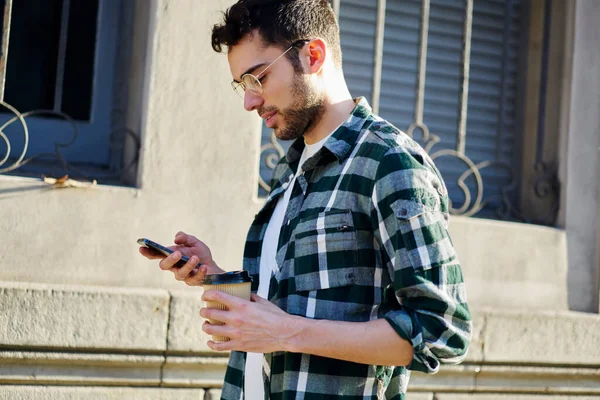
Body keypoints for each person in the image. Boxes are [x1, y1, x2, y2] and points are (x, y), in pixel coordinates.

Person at [140, 0, 471, 398]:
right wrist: (216, 276)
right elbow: (286, 309)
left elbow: (442, 331)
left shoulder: (391, 165)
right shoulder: (289, 170)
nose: (249, 101)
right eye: (242, 86)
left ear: (312, 55)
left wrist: (286, 333)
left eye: (258, 77)